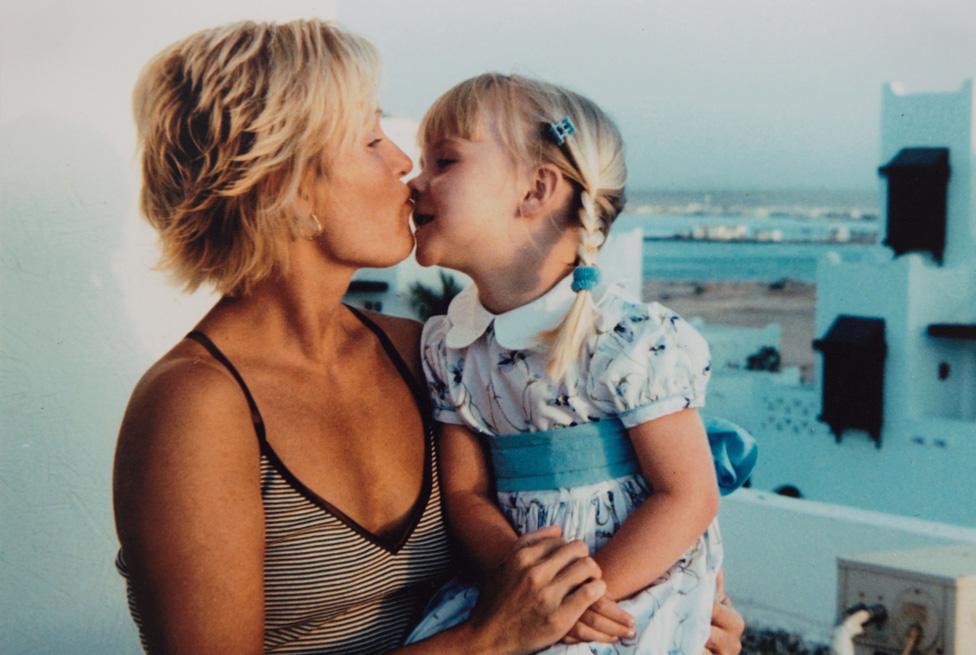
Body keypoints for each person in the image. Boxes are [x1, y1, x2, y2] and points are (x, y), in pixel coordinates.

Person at [112, 19, 745, 655]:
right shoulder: (192, 408)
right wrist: (487, 640)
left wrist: (676, 612)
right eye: (369, 139)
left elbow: (599, 513)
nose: (403, 164)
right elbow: (514, 615)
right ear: (286, 184)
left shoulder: (426, 353)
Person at [405, 73, 726, 654]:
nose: (414, 181)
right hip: (519, 593)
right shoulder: (449, 346)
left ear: (536, 190)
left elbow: (686, 496)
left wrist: (586, 597)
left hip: (625, 593)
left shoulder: (630, 339)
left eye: (442, 162)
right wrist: (533, 593)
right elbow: (467, 495)